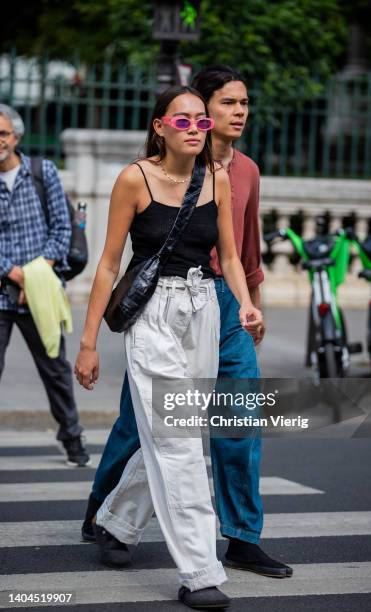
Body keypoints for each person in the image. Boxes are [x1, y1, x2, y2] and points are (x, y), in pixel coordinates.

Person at [82, 66, 293, 579]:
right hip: (161, 306)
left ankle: (242, 538)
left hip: (222, 303)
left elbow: (244, 249)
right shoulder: (141, 176)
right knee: (147, 427)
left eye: (244, 104)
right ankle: (111, 517)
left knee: (236, 418)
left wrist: (251, 307)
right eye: (226, 104)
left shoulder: (241, 173)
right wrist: (86, 342)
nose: (236, 113)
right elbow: (109, 263)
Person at [0, 104, 90, 467]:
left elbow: (62, 229)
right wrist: (13, 272)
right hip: (2, 288)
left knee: (54, 369)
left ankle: (71, 438)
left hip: (42, 289)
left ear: (16, 137)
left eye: (3, 133)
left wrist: (36, 273)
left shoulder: (42, 171)